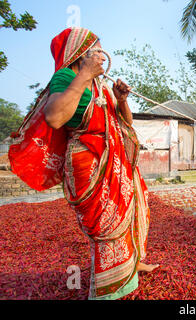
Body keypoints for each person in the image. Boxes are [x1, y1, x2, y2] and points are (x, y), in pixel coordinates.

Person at [8, 27, 158, 300]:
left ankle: (131, 266)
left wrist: (122, 100)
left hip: (115, 159)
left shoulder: (101, 86)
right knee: (105, 224)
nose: (102, 56)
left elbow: (125, 122)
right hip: (88, 161)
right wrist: (85, 74)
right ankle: (107, 288)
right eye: (96, 50)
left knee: (135, 207)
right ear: (80, 52)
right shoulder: (65, 77)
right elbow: (55, 117)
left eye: (102, 50)